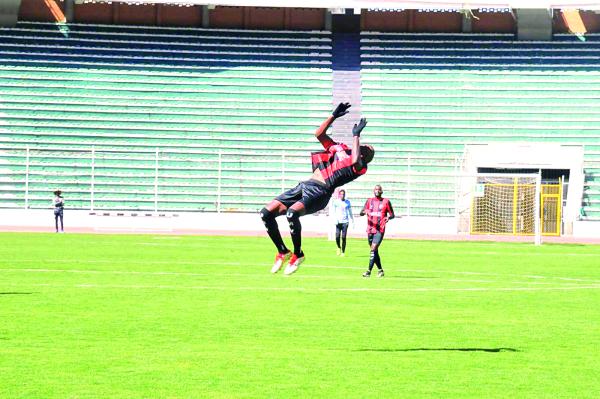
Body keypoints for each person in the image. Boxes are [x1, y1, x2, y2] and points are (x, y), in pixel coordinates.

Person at [260, 102, 375, 275]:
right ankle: (283, 251)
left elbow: (355, 160)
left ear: (366, 157)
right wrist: (333, 116)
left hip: (321, 192)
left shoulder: (359, 166)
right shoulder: (339, 148)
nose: (368, 148)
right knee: (266, 213)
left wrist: (356, 136)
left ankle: (298, 254)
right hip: (305, 185)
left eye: (369, 151)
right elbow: (319, 134)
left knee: (292, 214)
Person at [360, 185, 395, 278]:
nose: (377, 191)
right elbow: (361, 212)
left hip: (380, 229)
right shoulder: (369, 201)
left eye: (378, 189)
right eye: (375, 189)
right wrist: (364, 212)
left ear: (381, 191)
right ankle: (380, 270)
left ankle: (368, 271)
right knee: (374, 251)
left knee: (373, 248)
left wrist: (388, 217)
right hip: (370, 229)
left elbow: (392, 214)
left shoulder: (386, 202)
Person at [330, 189, 354, 256]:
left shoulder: (347, 202)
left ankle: (343, 252)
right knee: (337, 236)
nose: (342, 195)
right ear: (339, 195)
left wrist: (352, 220)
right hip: (338, 222)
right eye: (341, 194)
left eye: (343, 194)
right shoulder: (336, 202)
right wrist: (334, 219)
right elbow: (333, 211)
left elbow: (350, 212)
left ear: (345, 195)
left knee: (343, 237)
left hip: (345, 222)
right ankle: (338, 247)